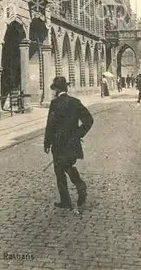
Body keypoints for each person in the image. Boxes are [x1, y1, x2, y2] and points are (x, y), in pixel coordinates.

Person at [44, 76, 94, 209]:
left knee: (59, 171)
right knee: (67, 166)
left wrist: (47, 143)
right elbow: (89, 120)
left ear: (56, 90)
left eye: (54, 89)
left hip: (58, 143)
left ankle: (66, 200)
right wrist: (78, 134)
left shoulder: (54, 104)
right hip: (72, 143)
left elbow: (50, 125)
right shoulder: (75, 102)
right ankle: (79, 185)